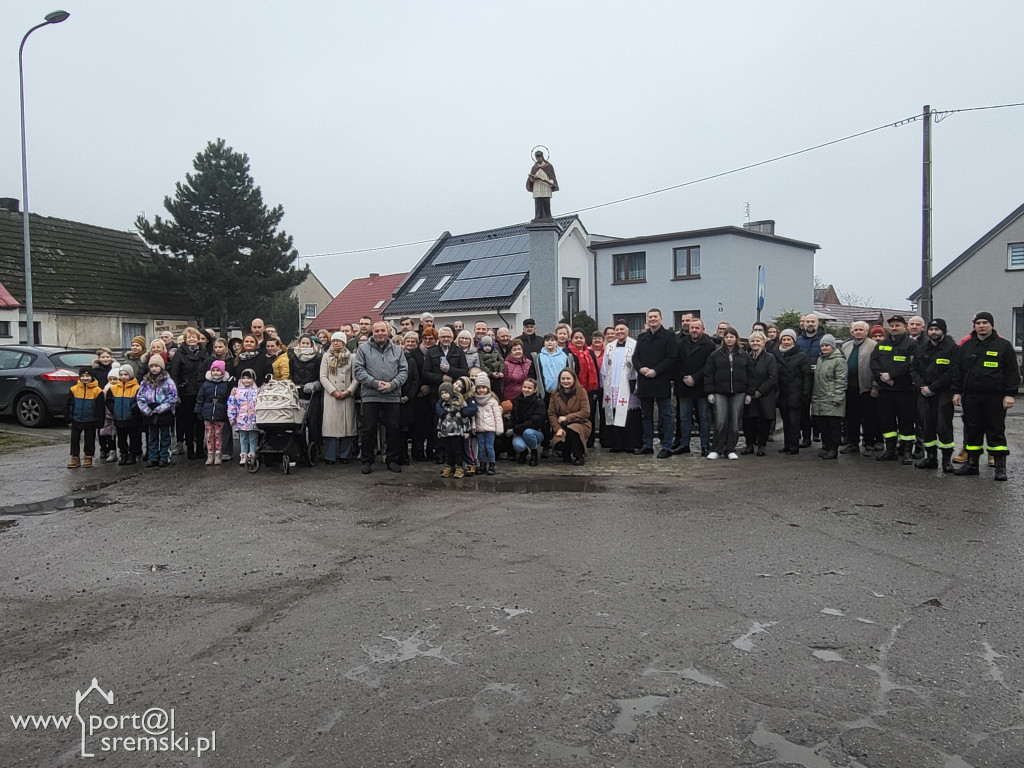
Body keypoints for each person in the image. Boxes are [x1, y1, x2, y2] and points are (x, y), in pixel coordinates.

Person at [952, 311, 1020, 481]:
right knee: (973, 431)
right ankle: (972, 465)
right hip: (971, 397)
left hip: (995, 397)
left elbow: (1012, 372)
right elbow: (957, 371)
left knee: (996, 430)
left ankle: (999, 468)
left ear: (992, 325)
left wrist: (1010, 394)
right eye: (978, 323)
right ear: (974, 326)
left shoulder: (1003, 346)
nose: (981, 326)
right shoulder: (966, 346)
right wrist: (956, 392)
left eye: (985, 323)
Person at [353, 321, 408, 474]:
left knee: (393, 430)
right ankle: (367, 461)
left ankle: (392, 460)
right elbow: (358, 370)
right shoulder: (363, 349)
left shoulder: (397, 350)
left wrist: (392, 385)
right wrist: (375, 383)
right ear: (372, 332)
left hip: (392, 396)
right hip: (371, 396)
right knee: (368, 430)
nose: (380, 333)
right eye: (376, 331)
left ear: (388, 332)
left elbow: (403, 371)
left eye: (382, 330)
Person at [911, 318, 958, 472]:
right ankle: (931, 457)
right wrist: (922, 387)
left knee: (943, 426)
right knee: (926, 426)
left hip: (943, 394)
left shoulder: (952, 349)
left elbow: (952, 372)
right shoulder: (921, 349)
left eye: (937, 329)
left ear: (943, 331)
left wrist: (933, 387)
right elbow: (913, 370)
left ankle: (946, 461)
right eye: (931, 329)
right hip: (924, 393)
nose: (933, 332)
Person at [870, 315, 918, 463]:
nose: (894, 328)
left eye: (897, 325)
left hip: (905, 390)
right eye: (892, 326)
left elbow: (911, 364)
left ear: (905, 327)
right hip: (886, 390)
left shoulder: (912, 345)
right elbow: (874, 363)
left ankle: (907, 451)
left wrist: (892, 375)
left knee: (906, 422)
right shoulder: (882, 344)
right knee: (887, 421)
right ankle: (890, 450)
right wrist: (882, 378)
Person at [632, 308, 676, 457]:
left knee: (665, 415)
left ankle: (667, 446)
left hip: (661, 380)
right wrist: (640, 368)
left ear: (661, 318)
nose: (652, 319)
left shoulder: (669, 336)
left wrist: (656, 371)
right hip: (645, 381)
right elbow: (635, 358)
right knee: (646, 415)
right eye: (650, 317)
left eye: (655, 317)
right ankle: (647, 444)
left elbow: (671, 358)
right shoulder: (642, 337)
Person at [704, 327, 753, 460]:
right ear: (723, 339)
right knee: (720, 420)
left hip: (739, 392)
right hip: (720, 391)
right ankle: (716, 448)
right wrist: (710, 392)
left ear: (736, 338)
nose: (729, 339)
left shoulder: (744, 355)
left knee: (735, 421)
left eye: (732, 337)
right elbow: (708, 374)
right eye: (727, 337)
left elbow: (751, 375)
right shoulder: (715, 355)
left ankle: (730, 448)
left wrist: (749, 393)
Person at [673, 317, 715, 456]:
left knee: (703, 417)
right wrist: (685, 377)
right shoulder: (681, 343)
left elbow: (709, 366)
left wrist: (695, 378)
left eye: (697, 328)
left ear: (703, 329)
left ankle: (705, 445)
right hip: (684, 385)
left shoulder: (709, 345)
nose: (694, 330)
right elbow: (676, 363)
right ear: (688, 329)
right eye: (692, 328)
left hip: (701, 386)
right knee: (684, 417)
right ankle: (684, 444)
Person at [168, 327, 210, 460]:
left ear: (198, 339)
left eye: (194, 337)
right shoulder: (179, 354)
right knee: (188, 422)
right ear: (185, 339)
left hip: (201, 391)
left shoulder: (205, 353)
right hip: (186, 392)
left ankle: (200, 449)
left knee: (200, 422)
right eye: (189, 337)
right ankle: (190, 448)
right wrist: (176, 393)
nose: (192, 339)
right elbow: (174, 374)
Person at [601, 322, 642, 453]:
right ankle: (616, 444)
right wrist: (604, 384)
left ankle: (630, 444)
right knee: (613, 414)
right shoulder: (609, 347)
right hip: (612, 385)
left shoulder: (634, 345)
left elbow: (638, 365)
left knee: (628, 416)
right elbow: (604, 367)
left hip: (628, 384)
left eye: (622, 329)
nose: (619, 332)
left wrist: (637, 385)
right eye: (617, 329)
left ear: (627, 331)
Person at [840, 321, 879, 456]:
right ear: (851, 331)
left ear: (867, 332)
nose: (857, 332)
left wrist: (875, 386)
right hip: (849, 387)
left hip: (866, 388)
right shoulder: (845, 346)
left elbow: (877, 368)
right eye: (855, 330)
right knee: (851, 418)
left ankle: (869, 445)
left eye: (861, 330)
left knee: (868, 418)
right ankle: (852, 443)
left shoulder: (873, 346)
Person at [319, 332, 359, 465]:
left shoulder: (352, 357)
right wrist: (333, 391)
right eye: (334, 340)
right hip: (332, 396)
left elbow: (356, 377)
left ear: (344, 342)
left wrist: (349, 391)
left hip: (347, 396)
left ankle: (344, 455)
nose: (336, 343)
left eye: (339, 340)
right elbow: (323, 377)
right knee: (331, 427)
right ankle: (330, 456)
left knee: (347, 426)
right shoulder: (326, 356)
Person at [773, 329, 813, 455]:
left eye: (788, 339)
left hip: (796, 393)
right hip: (782, 393)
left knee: (794, 421)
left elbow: (807, 376)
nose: (786, 342)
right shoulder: (776, 354)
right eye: (784, 339)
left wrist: (806, 393)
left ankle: (794, 446)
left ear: (793, 341)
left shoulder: (801, 356)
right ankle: (786, 444)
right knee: (786, 421)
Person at [136, 355, 178, 468]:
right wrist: (146, 409)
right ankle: (153, 457)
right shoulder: (145, 382)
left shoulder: (168, 381)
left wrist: (160, 409)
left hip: (164, 412)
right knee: (152, 436)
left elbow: (172, 397)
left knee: (165, 435)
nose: (154, 368)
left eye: (156, 366)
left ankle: (164, 457)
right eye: (152, 366)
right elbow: (140, 397)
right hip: (150, 411)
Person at [741, 331, 778, 456]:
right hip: (749, 395)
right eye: (753, 341)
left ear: (763, 343)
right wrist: (750, 391)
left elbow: (773, 377)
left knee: (764, 421)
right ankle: (749, 444)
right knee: (748, 421)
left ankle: (762, 445)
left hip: (765, 395)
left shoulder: (770, 358)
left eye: (758, 341)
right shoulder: (746, 357)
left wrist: (760, 391)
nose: (755, 343)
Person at [811, 334, 847, 459]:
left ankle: (833, 449)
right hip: (820, 398)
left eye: (827, 345)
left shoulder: (839, 361)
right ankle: (826, 446)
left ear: (832, 346)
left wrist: (837, 398)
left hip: (832, 399)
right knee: (823, 425)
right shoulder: (820, 360)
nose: (824, 348)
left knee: (834, 426)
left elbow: (841, 381)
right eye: (822, 345)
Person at [795, 313, 826, 447]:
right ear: (803, 323)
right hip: (802, 378)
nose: (810, 324)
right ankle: (806, 437)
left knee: (819, 408)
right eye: (808, 321)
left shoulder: (824, 339)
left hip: (819, 377)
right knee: (803, 408)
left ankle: (818, 433)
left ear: (817, 323)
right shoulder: (798, 340)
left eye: (813, 321)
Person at [548, 368, 591, 465]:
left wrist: (567, 417)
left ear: (574, 379)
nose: (565, 381)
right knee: (559, 442)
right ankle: (565, 453)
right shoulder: (555, 394)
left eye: (568, 378)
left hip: (581, 423)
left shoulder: (581, 392)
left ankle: (578, 456)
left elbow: (586, 412)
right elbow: (552, 414)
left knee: (573, 431)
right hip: (562, 425)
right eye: (563, 379)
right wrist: (557, 428)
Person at [194, 359, 233, 465]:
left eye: (218, 370)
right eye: (214, 370)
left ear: (222, 372)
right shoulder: (206, 384)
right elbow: (200, 398)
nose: (215, 373)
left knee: (218, 435)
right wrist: (198, 410)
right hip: (207, 413)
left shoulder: (225, 385)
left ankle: (218, 454)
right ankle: (210, 454)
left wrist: (227, 413)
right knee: (209, 435)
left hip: (220, 413)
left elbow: (228, 399)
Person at [567, 329, 601, 448]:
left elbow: (595, 371)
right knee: (576, 415)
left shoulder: (590, 352)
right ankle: (576, 441)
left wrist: (595, 389)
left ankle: (590, 441)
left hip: (589, 390)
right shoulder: (568, 352)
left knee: (589, 415)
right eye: (576, 338)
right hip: (574, 390)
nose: (578, 340)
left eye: (581, 337)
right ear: (571, 339)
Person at [65, 367, 105, 468]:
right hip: (76, 419)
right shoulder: (74, 389)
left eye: (87, 376)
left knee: (89, 439)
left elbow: (100, 408)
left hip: (91, 419)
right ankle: (75, 457)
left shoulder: (98, 391)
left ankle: (88, 457)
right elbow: (69, 404)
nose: (85, 378)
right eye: (83, 376)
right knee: (74, 439)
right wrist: (69, 418)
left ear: (92, 377)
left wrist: (100, 421)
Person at [436, 382, 474, 479]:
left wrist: (466, 431)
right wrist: (439, 429)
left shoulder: (459, 403)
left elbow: (465, 419)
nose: (444, 395)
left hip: (457, 432)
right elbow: (441, 418)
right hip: (446, 433)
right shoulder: (443, 405)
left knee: (458, 451)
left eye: (446, 393)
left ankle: (459, 467)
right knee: (448, 451)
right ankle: (449, 466)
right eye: (442, 393)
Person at [508, 378, 547, 466]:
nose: (526, 390)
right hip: (519, 432)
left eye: (529, 388)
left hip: (535, 432)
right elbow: (513, 417)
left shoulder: (539, 403)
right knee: (519, 445)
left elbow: (535, 422)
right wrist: (509, 427)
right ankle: (523, 452)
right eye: (524, 387)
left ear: (535, 390)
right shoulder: (517, 401)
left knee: (528, 433)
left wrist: (515, 429)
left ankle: (534, 453)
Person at [396, 332, 421, 465]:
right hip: (393, 400)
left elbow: (415, 380)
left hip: (407, 401)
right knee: (394, 430)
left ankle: (405, 455)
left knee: (405, 430)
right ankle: (395, 455)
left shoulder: (410, 360)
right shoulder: (391, 360)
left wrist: (408, 396)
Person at [473, 372, 503, 475]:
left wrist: (499, 429)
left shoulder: (493, 401)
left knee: (489, 447)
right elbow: (473, 416)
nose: (481, 390)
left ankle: (491, 465)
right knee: (481, 447)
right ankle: (482, 465)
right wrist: (473, 427)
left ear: (488, 388)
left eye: (484, 387)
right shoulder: (474, 401)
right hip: (479, 428)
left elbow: (497, 416)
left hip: (491, 429)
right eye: (479, 387)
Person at [227, 369, 260, 465]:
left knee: (253, 438)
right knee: (243, 439)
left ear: (253, 379)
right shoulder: (237, 391)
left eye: (249, 378)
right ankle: (243, 455)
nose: (246, 380)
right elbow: (232, 405)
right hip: (241, 420)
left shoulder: (257, 391)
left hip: (253, 420)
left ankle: (252, 455)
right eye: (244, 378)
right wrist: (231, 417)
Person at [526, 149, 558, 221]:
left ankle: (547, 215)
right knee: (538, 200)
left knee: (546, 200)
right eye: (537, 158)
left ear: (542, 157)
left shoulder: (548, 166)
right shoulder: (534, 167)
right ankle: (538, 215)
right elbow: (531, 179)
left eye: (539, 157)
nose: (538, 159)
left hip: (546, 185)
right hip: (537, 185)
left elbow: (552, 176)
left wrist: (551, 182)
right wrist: (532, 178)